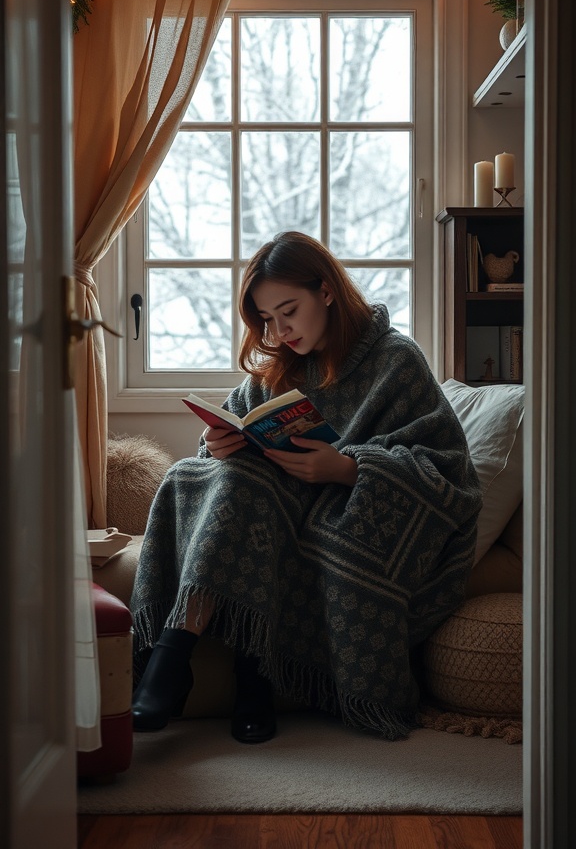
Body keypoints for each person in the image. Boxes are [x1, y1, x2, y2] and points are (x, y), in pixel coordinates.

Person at [130, 231, 482, 742]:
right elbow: (222, 451)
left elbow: (449, 472)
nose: (280, 330)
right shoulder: (277, 371)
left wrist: (348, 469)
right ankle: (237, 675)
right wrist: (217, 445)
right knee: (197, 474)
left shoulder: (397, 361)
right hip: (262, 513)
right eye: (267, 319)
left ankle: (181, 666)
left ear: (327, 291)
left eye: (288, 310)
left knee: (247, 487)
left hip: (341, 512)